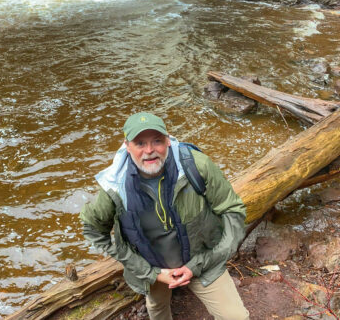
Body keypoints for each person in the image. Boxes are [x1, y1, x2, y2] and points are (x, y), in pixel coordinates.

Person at [80, 112, 249, 320]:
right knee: (158, 309)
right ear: (127, 145)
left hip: (202, 260)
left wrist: (204, 261)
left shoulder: (196, 165)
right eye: (140, 143)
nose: (149, 151)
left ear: (168, 140)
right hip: (152, 269)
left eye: (157, 141)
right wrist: (152, 273)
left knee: (237, 317)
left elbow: (233, 211)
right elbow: (93, 230)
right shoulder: (114, 186)